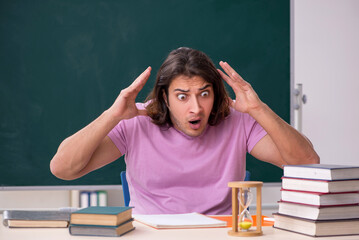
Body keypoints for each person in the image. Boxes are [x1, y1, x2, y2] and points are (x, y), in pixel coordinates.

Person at [50, 47, 319, 214]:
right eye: (182, 96)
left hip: (220, 234)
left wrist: (259, 109)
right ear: (164, 98)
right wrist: (112, 116)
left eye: (204, 94)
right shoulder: (137, 121)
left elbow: (307, 162)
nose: (196, 108)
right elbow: (63, 169)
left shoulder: (237, 119)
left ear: (216, 93)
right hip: (148, 235)